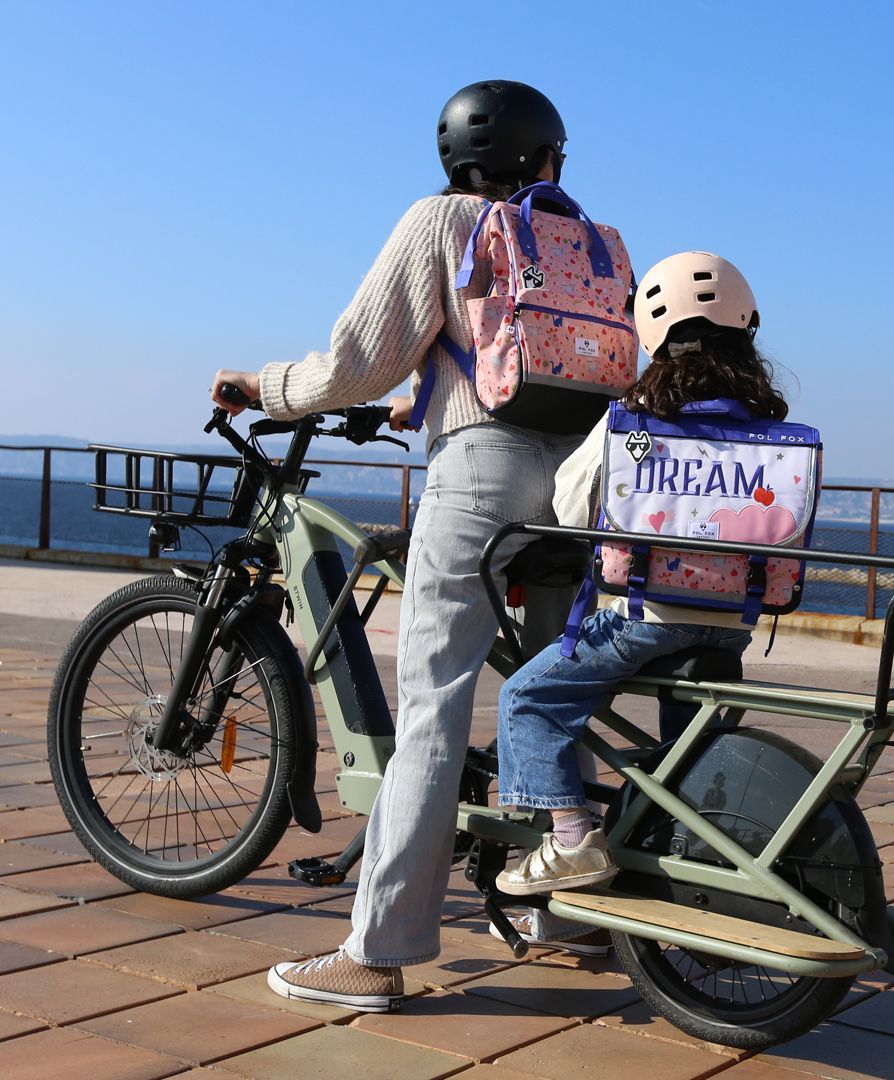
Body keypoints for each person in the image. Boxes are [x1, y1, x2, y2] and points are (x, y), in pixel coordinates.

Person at [210, 80, 611, 1012]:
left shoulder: (444, 220)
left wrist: (265, 386)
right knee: (558, 689)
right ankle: (574, 907)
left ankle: (376, 950)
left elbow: (357, 356)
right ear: (546, 156)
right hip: (581, 481)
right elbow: (523, 360)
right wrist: (425, 395)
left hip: (483, 477)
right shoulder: (577, 233)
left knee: (434, 702)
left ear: (458, 155)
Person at [493, 251, 789, 896]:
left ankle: (570, 840)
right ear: (749, 327)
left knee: (529, 698)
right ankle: (669, 841)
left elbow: (572, 509)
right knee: (685, 756)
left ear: (650, 333)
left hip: (646, 620)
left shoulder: (635, 418)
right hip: (731, 626)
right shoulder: (773, 430)